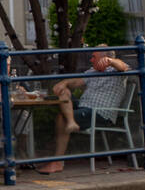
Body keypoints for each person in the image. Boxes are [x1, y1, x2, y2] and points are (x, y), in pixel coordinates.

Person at [39, 45, 131, 174]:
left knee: (61, 118)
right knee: (63, 91)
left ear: (104, 58)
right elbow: (75, 82)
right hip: (84, 108)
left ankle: (58, 162)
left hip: (99, 113)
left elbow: (123, 66)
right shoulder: (92, 72)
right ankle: (71, 122)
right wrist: (64, 83)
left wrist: (111, 61)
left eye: (94, 57)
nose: (91, 60)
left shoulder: (116, 73)